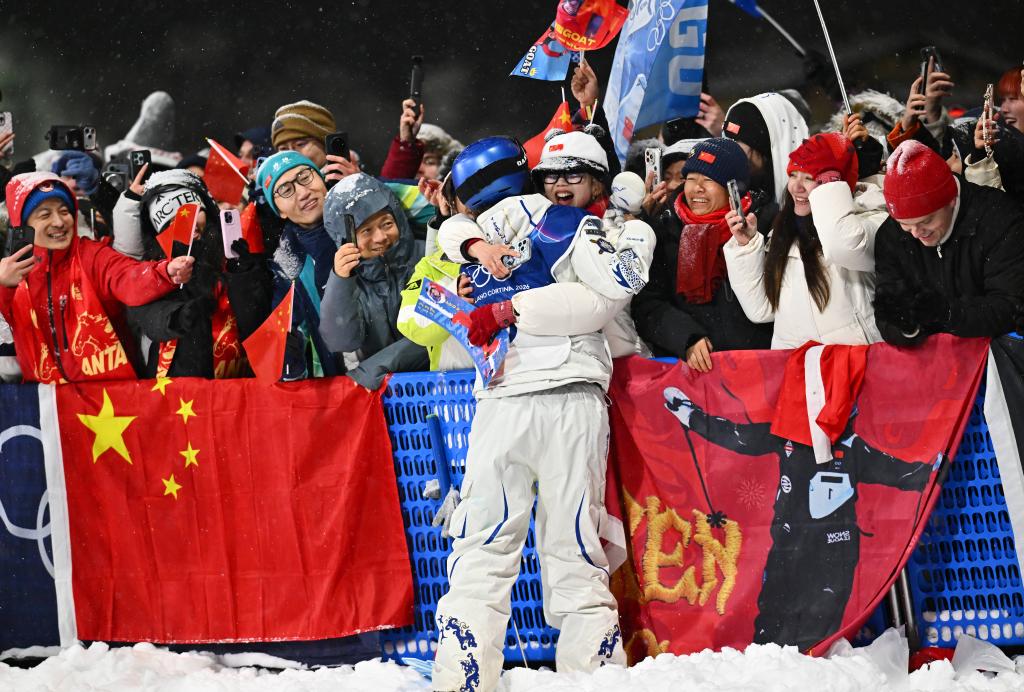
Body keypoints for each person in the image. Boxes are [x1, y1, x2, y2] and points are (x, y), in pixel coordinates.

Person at [431, 136, 637, 691]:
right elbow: (613, 293)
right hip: (570, 396)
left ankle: (461, 679)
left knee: (481, 545)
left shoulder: (464, 241)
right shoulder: (567, 222)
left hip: (502, 401)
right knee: (573, 546)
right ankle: (595, 680)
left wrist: (504, 305)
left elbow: (448, 251)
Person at [662, 386, 938, 650]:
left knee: (818, 631)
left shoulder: (853, 447)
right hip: (788, 545)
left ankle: (812, 670)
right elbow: (737, 435)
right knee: (771, 625)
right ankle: (772, 670)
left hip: (833, 552)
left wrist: (941, 456)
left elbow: (906, 473)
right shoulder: (786, 434)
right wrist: (690, 415)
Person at [0, 173, 193, 383]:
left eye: (64, 211)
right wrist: (3, 287)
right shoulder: (10, 275)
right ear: (23, 225)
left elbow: (128, 276)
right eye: (45, 215)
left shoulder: (91, 255)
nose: (59, 222)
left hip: (110, 397)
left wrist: (165, 272)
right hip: (47, 401)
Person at [723, 132, 886, 348]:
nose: (796, 187)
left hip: (857, 362)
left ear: (835, 183)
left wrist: (827, 191)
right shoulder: (782, 230)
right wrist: (747, 246)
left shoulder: (872, 219)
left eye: (809, 177)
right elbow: (761, 310)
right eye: (793, 175)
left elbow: (844, 247)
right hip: (802, 365)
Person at [633, 138, 772, 373]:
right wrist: (686, 337)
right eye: (690, 178)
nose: (697, 188)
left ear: (734, 188)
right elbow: (647, 305)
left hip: (759, 368)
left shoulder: (766, 224)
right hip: (696, 376)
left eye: (709, 180)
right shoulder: (664, 228)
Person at [116, 169, 271, 378]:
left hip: (234, 379)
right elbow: (144, 314)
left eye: (192, 212)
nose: (188, 225)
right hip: (176, 384)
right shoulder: (152, 268)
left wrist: (243, 275)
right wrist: (178, 316)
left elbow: (258, 321)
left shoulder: (233, 255)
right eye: (172, 220)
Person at [873, 140, 1024, 345]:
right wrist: (908, 327)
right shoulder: (890, 235)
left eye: (926, 221)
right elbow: (887, 316)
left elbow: (1010, 306)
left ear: (951, 200)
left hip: (998, 353)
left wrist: (947, 313)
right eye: (905, 224)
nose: (916, 233)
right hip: (938, 360)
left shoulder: (1000, 219)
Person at [318, 173, 427, 388]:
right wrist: (340, 281)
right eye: (366, 230)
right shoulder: (348, 282)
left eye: (387, 223)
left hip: (445, 384)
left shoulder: (427, 256)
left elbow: (437, 330)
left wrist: (374, 370)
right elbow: (341, 341)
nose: (380, 237)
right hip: (389, 398)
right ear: (346, 239)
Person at [258, 151, 343, 380]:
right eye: (286, 190)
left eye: (305, 177)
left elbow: (429, 199)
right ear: (280, 211)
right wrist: (289, 358)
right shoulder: (287, 265)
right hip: (345, 381)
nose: (303, 192)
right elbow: (289, 332)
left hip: (405, 369)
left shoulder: (365, 210)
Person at [722, 92, 809, 216]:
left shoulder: (808, 197)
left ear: (767, 151)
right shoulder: (729, 192)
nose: (731, 157)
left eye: (740, 148)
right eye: (728, 142)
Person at [271, 100, 357, 183]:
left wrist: (355, 184)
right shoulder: (274, 190)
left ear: (326, 146)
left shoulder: (355, 182)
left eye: (300, 144)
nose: (292, 155)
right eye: (283, 149)